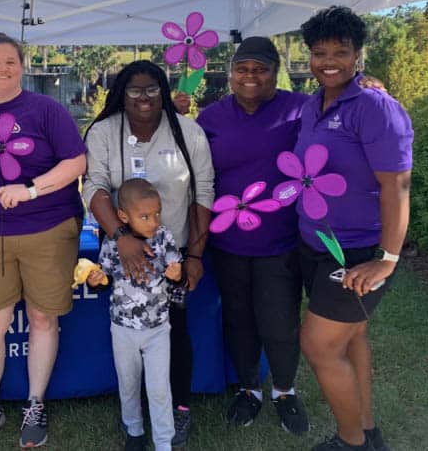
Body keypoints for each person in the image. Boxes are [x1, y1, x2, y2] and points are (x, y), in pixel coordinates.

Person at [0, 33, 86, 448]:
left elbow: (77, 161)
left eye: (10, 61)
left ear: (22, 66)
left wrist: (31, 189)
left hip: (47, 230)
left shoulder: (46, 109)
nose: (3, 68)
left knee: (43, 318)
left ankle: (35, 403)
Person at [295, 6, 412, 451]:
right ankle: (367, 431)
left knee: (321, 347)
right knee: (351, 338)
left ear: (358, 54)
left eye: (341, 52)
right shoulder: (312, 106)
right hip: (318, 242)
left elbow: (397, 186)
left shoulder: (375, 107)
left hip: (357, 252)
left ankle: (351, 444)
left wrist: (387, 260)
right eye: (320, 52)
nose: (329, 61)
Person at [83, 60, 215, 446]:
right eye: (135, 90)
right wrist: (121, 236)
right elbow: (94, 187)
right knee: (129, 335)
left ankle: (179, 409)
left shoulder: (187, 131)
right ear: (122, 95)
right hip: (124, 253)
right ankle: (135, 419)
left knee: (176, 330)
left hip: (171, 251)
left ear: (164, 90)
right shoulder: (105, 132)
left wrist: (194, 255)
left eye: (152, 89)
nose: (144, 98)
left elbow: (203, 193)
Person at [194, 37, 311, 434]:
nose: (250, 76)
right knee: (239, 318)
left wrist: (368, 91)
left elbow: (338, 123)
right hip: (227, 241)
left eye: (260, 68)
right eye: (242, 68)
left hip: (281, 240)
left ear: (275, 73)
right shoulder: (210, 118)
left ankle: (284, 391)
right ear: (230, 74)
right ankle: (249, 390)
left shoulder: (300, 109)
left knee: (279, 322)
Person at [86, 178, 186, 451]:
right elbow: (102, 275)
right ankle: (134, 430)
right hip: (123, 329)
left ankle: (164, 441)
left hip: (157, 329)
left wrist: (177, 274)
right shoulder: (112, 244)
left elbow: (177, 269)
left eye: (156, 213)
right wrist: (95, 279)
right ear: (123, 216)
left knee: (158, 388)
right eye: (144, 216)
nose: (153, 221)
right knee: (128, 384)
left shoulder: (163, 236)